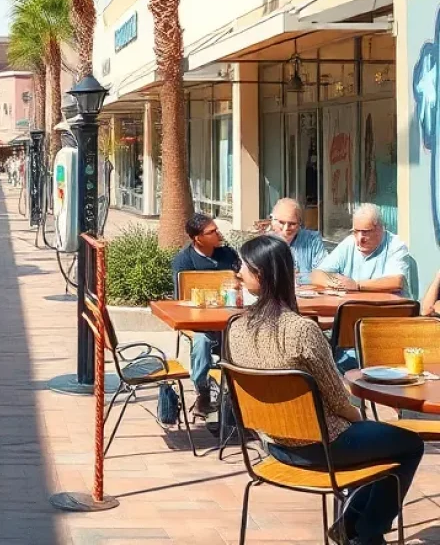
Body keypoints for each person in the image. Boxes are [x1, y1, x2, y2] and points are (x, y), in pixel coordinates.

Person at [228, 234, 423, 545]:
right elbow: (337, 397)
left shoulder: (236, 328)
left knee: (385, 443)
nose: (238, 272)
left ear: (260, 275)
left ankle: (351, 524)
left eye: (243, 267)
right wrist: (359, 418)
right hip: (323, 446)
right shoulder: (302, 330)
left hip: (273, 444)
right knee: (409, 444)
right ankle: (367, 532)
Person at [171, 213, 240, 416]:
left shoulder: (227, 254)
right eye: (212, 232)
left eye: (216, 229)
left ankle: (240, 396)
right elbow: (181, 301)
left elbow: (240, 280)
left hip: (229, 320)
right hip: (200, 325)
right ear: (198, 238)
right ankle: (202, 391)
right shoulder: (184, 261)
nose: (218, 234)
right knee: (201, 342)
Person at [310, 203, 410, 296]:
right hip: (353, 306)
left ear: (380, 229)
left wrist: (357, 285)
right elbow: (316, 275)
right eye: (355, 231)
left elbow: (397, 281)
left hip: (386, 309)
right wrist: (336, 283)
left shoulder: (395, 245)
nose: (359, 238)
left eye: (365, 232)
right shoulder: (349, 243)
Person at [269, 198, 327, 283]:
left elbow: (324, 274)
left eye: (292, 224)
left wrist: (297, 278)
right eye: (281, 222)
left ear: (300, 223)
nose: (286, 228)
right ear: (272, 220)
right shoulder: (265, 243)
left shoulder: (312, 240)